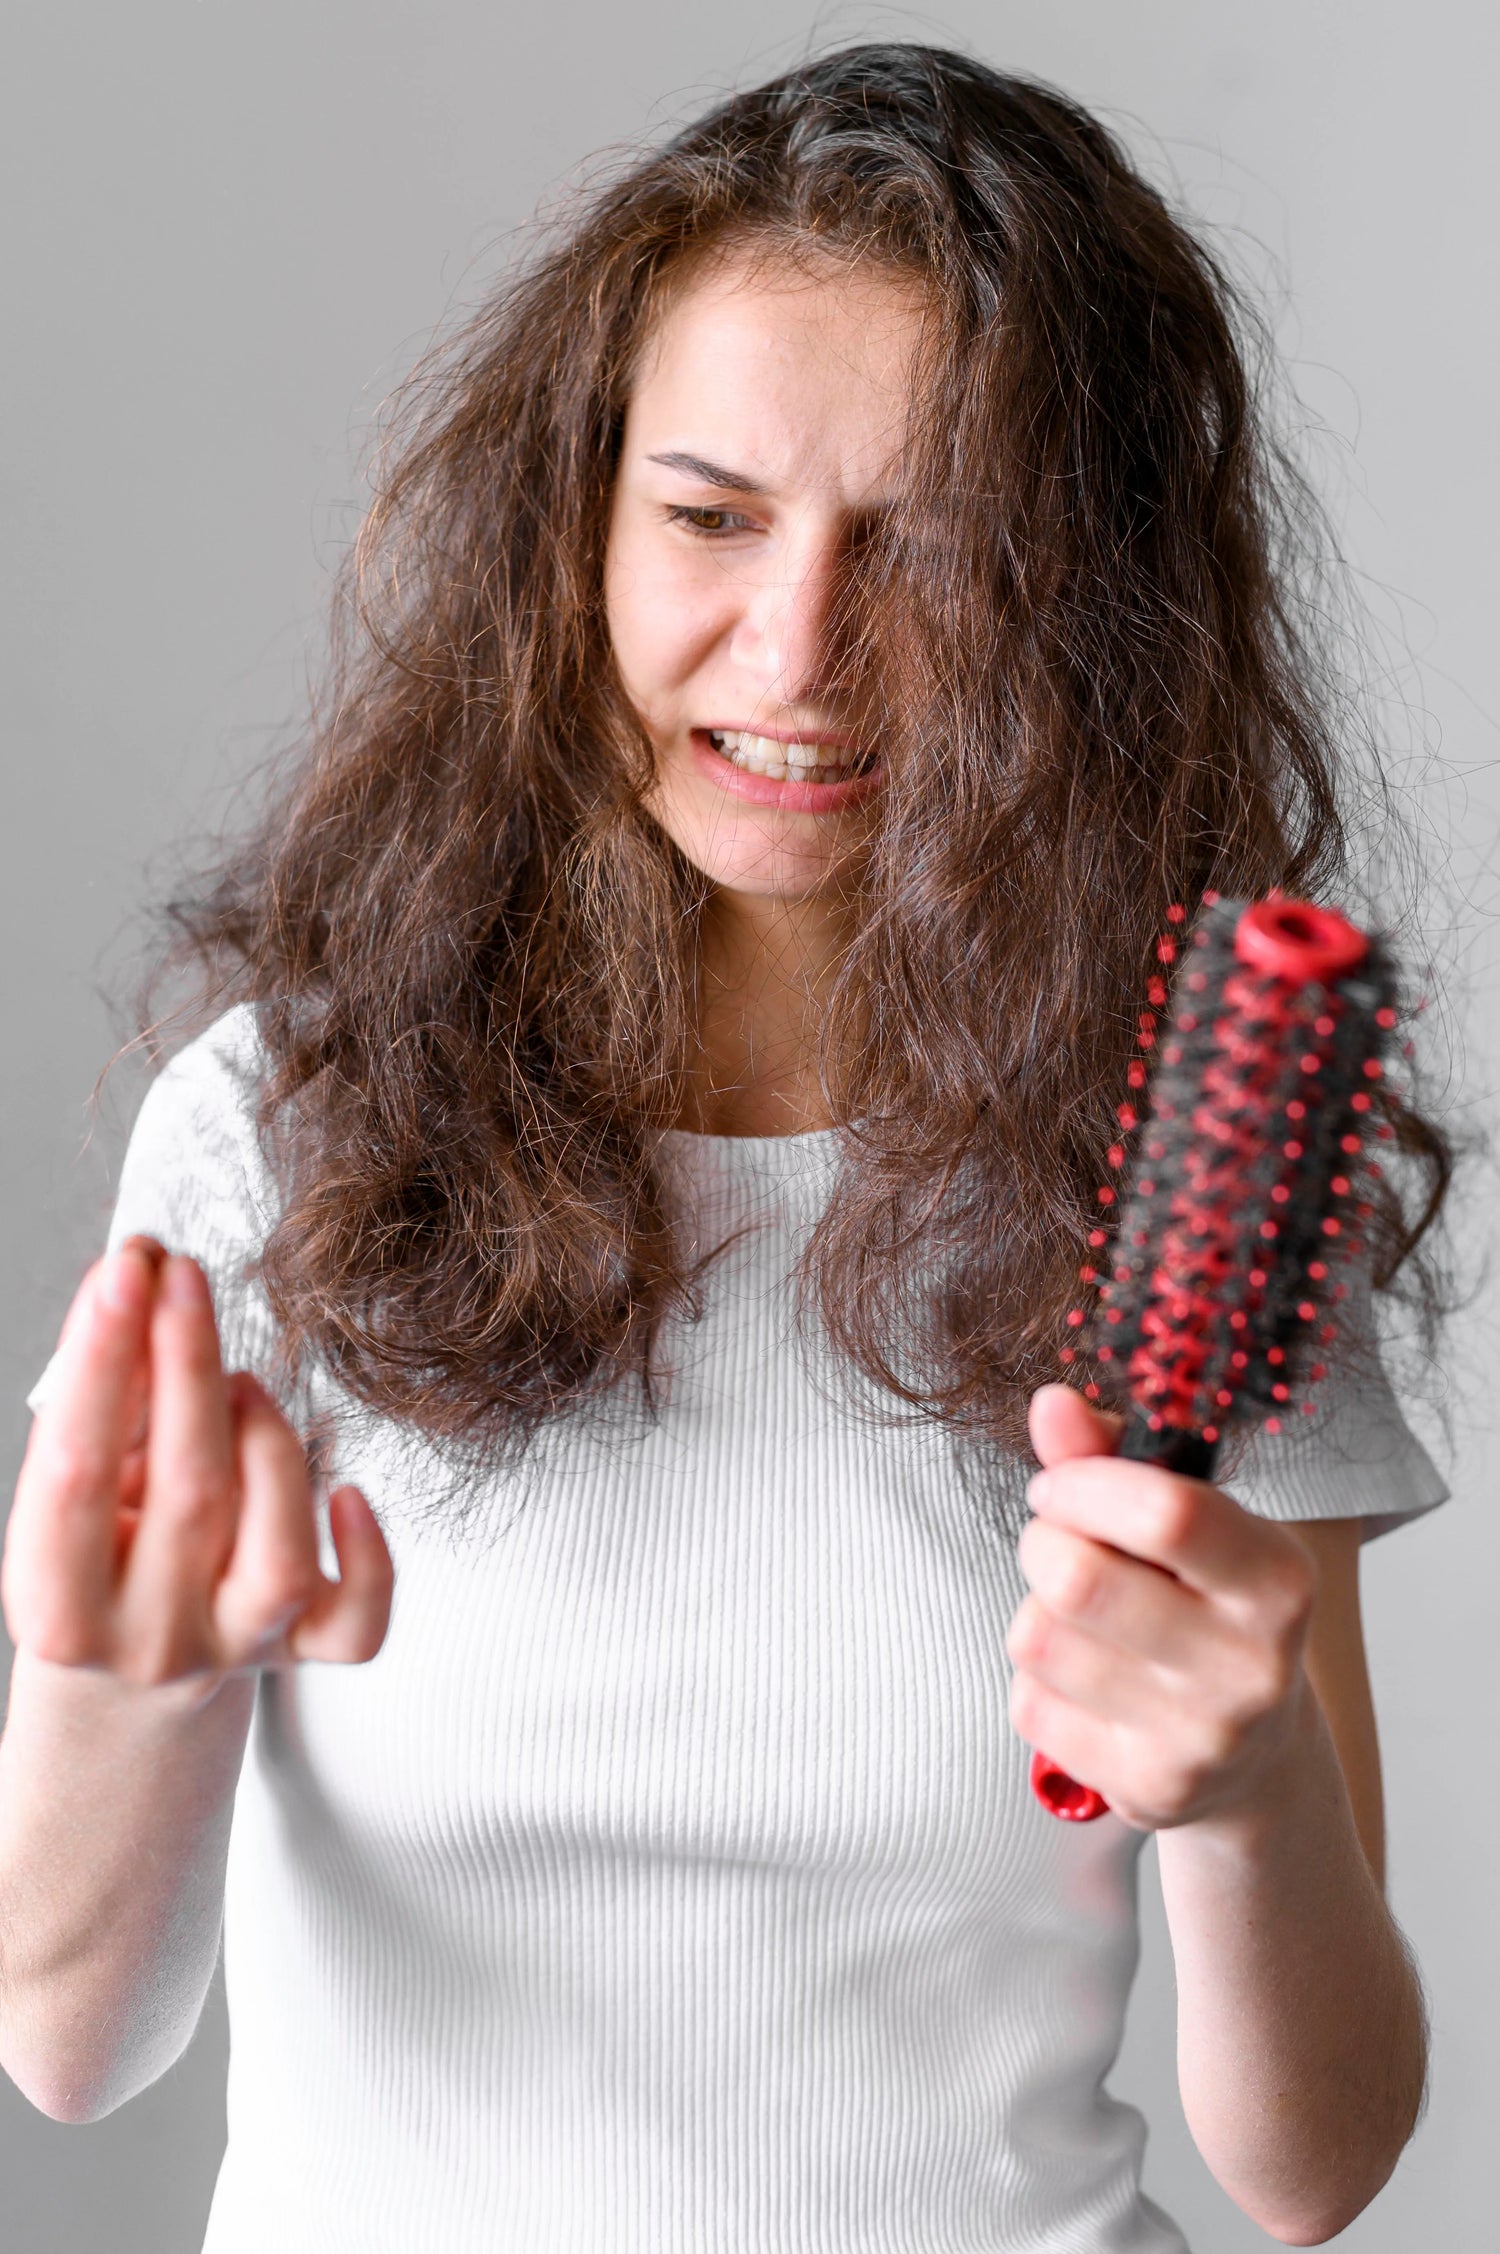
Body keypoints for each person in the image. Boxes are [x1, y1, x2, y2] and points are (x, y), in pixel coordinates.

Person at [0, 43, 1452, 2254]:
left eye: (937, 550)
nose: (797, 650)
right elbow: (67, 2041)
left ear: (1096, 601)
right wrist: (134, 1677)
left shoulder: (1203, 1174)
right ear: (569, 525)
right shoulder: (287, 1134)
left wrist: (1251, 1795)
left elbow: (1315, 2163)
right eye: (707, 516)